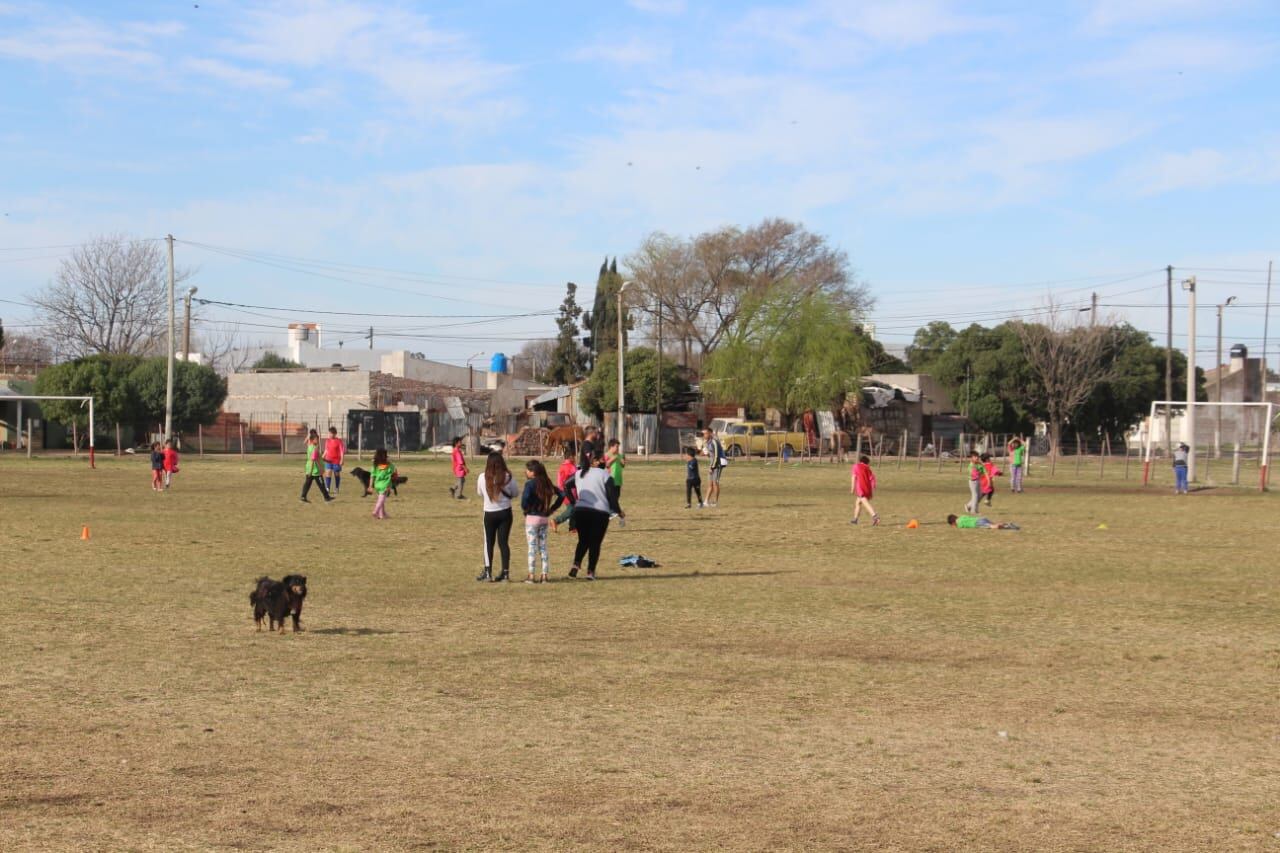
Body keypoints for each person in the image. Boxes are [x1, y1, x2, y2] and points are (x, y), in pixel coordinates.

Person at [569, 451, 624, 581]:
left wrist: (574, 502)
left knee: (583, 541)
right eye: (602, 459)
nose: (605, 461)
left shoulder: (579, 473)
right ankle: (590, 572)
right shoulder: (605, 475)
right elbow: (612, 498)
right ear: (596, 461)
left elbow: (566, 485)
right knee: (595, 543)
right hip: (599, 513)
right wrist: (619, 512)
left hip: (581, 511)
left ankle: (575, 565)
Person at [476, 451, 519, 582]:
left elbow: (479, 493)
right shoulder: (508, 477)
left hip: (489, 513)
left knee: (488, 543)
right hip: (505, 512)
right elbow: (516, 493)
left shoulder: (482, 477)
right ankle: (505, 573)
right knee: (503, 543)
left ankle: (488, 572)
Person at [521, 459, 564, 584]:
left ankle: (531, 575)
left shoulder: (530, 484)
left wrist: (527, 509)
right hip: (544, 518)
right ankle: (544, 575)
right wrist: (551, 509)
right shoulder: (547, 483)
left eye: (528, 470)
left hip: (532, 518)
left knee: (532, 547)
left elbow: (524, 500)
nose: (526, 472)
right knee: (543, 547)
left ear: (533, 472)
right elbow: (562, 494)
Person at [300, 429, 333, 503]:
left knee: (308, 483)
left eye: (318, 439)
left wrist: (327, 460)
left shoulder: (310, 446)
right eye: (316, 439)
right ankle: (327, 498)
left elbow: (318, 458)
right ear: (312, 440)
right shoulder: (314, 448)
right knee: (321, 484)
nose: (318, 440)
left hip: (310, 469)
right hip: (315, 470)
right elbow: (313, 460)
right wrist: (320, 469)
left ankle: (303, 497)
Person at [552, 443, 578, 532]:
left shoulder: (564, 466)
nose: (575, 458)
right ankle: (556, 521)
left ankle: (573, 527)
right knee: (572, 508)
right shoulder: (570, 467)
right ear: (570, 457)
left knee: (574, 508)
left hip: (565, 491)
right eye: (574, 456)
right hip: (568, 492)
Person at [850, 454, 879, 525]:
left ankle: (875, 516)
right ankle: (855, 519)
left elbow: (854, 477)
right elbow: (872, 478)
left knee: (865, 502)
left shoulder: (856, 466)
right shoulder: (867, 468)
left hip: (860, 488)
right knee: (858, 503)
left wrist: (852, 488)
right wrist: (873, 487)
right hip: (867, 488)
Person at [702, 427, 727, 507]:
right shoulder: (707, 443)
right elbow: (711, 456)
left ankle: (715, 502)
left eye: (705, 433)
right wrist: (706, 454)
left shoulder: (714, 442)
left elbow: (716, 455)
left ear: (710, 433)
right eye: (703, 434)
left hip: (718, 464)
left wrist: (712, 467)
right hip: (712, 464)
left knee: (715, 483)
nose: (704, 435)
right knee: (710, 483)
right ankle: (706, 501)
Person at [369, 447, 397, 519]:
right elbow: (394, 473)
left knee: (381, 499)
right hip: (385, 484)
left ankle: (382, 515)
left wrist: (370, 486)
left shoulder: (375, 465)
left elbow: (372, 476)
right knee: (381, 500)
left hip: (377, 484)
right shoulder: (389, 465)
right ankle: (375, 511)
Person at [322, 426, 345, 495]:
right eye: (329, 433)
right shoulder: (327, 441)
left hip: (336, 461)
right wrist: (323, 456)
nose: (330, 435)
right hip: (328, 460)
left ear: (335, 434)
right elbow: (326, 450)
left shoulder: (339, 441)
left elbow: (342, 451)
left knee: (336, 474)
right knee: (328, 473)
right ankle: (327, 488)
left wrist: (342, 459)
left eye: (331, 433)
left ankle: (337, 488)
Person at [947, 514, 1020, 530]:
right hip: (980, 518)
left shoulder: (959, 524)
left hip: (977, 523)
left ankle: (1008, 526)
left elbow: (961, 527)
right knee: (994, 524)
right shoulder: (962, 517)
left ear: (953, 523)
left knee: (993, 527)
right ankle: (1007, 523)